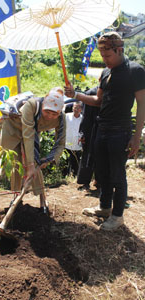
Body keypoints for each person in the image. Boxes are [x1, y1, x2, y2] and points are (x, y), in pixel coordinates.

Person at [65, 32, 145, 230]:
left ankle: (117, 216)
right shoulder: (106, 73)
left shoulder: (135, 71)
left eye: (107, 56)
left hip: (120, 129)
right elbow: (98, 101)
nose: (104, 60)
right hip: (102, 127)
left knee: (117, 174)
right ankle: (104, 207)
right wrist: (76, 95)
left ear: (119, 50)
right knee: (102, 172)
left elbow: (142, 104)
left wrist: (136, 137)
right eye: (101, 56)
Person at [0, 87, 66, 212]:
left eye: (54, 113)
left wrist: (49, 159)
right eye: (47, 112)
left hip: (31, 132)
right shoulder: (32, 105)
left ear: (59, 111)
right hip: (13, 128)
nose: (50, 116)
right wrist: (29, 166)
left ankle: (43, 200)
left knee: (36, 163)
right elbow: (28, 135)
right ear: (43, 106)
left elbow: (60, 143)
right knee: (15, 163)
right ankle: (16, 198)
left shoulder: (61, 118)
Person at [77, 86, 100, 190]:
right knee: (88, 156)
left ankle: (97, 181)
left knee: (99, 156)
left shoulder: (109, 92)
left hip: (101, 128)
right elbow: (85, 116)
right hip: (90, 129)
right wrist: (82, 133)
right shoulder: (90, 93)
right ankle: (86, 182)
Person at [65, 101, 83, 176]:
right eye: (74, 107)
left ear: (81, 109)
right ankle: (65, 176)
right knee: (66, 163)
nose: (76, 109)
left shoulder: (83, 119)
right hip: (67, 144)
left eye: (78, 108)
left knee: (76, 162)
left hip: (77, 145)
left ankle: (75, 176)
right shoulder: (66, 116)